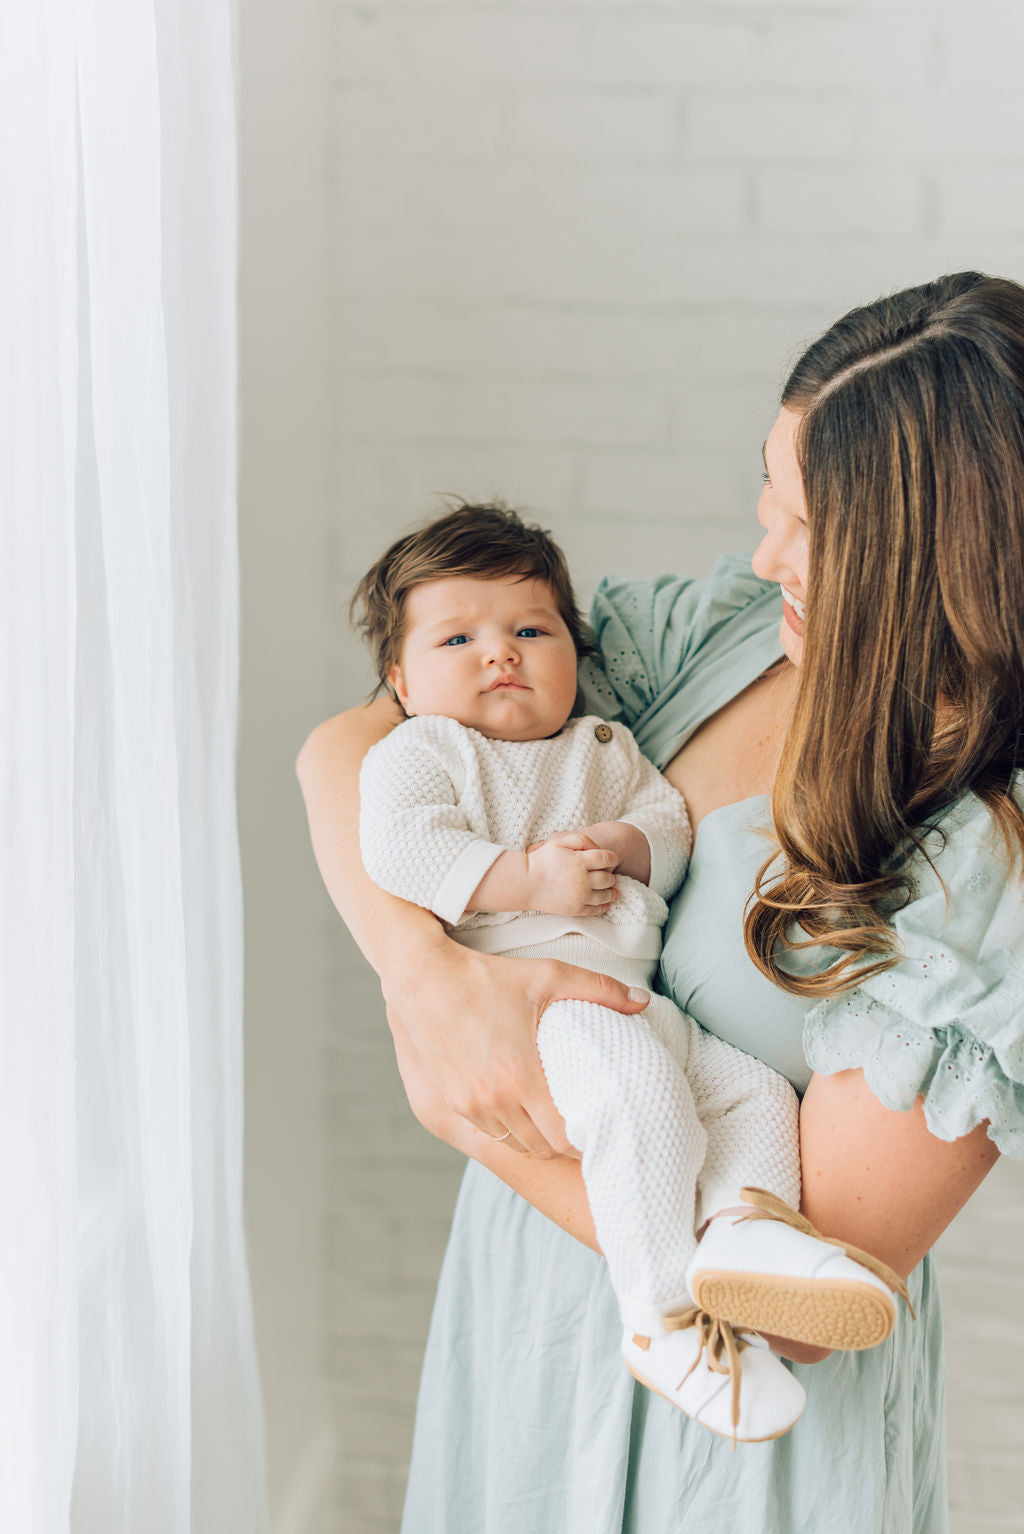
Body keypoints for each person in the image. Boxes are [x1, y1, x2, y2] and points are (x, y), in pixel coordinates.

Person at [297, 272, 1024, 1532]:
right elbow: (352, 744)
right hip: (527, 1319)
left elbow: (798, 1302)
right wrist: (427, 981)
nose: (765, 552)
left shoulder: (987, 849)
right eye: (769, 491)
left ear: (936, 558)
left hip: (743, 1429)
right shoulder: (720, 640)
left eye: (814, 527)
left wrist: (466, 1109)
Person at [351, 501, 909, 1444]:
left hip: (637, 1003)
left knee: (753, 1095)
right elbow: (399, 847)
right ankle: (662, 1318)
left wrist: (624, 844)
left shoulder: (601, 747)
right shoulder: (422, 752)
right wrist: (522, 876)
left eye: (532, 629)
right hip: (543, 1005)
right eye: (460, 638)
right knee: (640, 1095)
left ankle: (743, 1226)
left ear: (575, 644)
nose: (503, 654)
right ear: (401, 681)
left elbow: (669, 826)